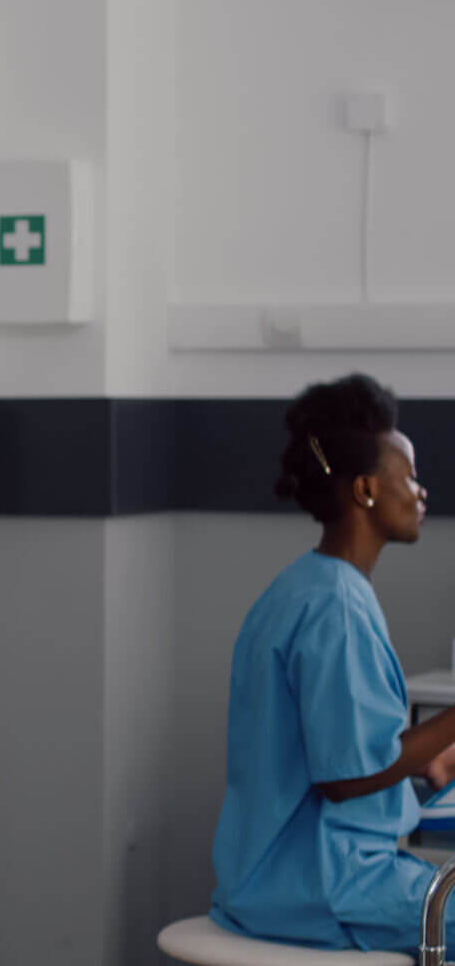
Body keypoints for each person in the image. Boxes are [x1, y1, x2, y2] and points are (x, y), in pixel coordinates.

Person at [211, 372, 453, 951]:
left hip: (268, 879)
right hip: (327, 889)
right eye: (410, 478)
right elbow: (345, 778)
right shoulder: (336, 606)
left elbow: (329, 748)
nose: (421, 492)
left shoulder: (302, 588)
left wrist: (428, 758)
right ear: (366, 490)